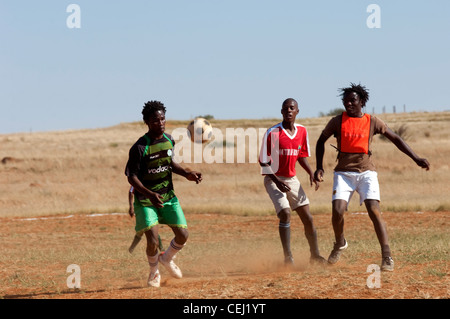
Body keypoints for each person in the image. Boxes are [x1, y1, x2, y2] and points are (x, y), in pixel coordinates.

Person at [314, 83, 430, 271]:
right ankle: (340, 242)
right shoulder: (337, 121)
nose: (348, 104)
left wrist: (416, 158)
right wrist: (319, 167)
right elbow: (321, 141)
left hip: (367, 173)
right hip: (343, 174)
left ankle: (387, 257)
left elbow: (396, 139)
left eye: (352, 100)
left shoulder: (372, 121)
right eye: (345, 101)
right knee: (337, 211)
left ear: (362, 102)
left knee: (374, 210)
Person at [125, 100, 202, 287]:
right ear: (146, 122)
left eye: (162, 119)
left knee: (183, 235)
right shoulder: (139, 147)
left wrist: (186, 173)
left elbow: (169, 163)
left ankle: (166, 258)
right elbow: (131, 177)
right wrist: (149, 194)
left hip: (168, 197)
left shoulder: (169, 140)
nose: (160, 123)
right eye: (155, 120)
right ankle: (154, 273)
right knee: (152, 240)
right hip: (146, 200)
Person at [259, 98, 327, 267]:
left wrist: (311, 173)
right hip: (273, 178)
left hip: (292, 179)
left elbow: (301, 155)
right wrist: (277, 181)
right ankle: (288, 258)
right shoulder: (273, 132)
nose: (289, 111)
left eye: (292, 108)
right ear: (281, 112)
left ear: (297, 111)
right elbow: (263, 161)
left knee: (308, 218)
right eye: (285, 108)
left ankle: (315, 256)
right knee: (285, 213)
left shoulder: (302, 131)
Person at [127, 186, 164, 254]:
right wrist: (131, 207)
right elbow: (131, 192)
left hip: (151, 208)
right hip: (141, 208)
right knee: (141, 230)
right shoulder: (138, 179)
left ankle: (161, 248)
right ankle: (131, 249)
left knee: (152, 227)